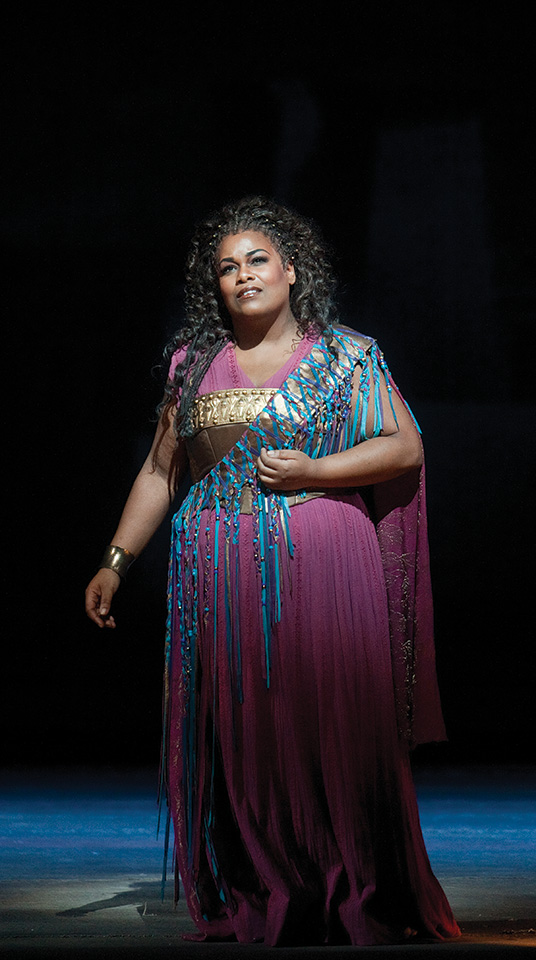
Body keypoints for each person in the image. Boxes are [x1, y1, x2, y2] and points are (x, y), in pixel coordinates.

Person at [85, 196, 460, 947]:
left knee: (332, 733)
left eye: (258, 260)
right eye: (227, 267)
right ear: (213, 287)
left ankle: (354, 886)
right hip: (219, 583)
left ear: (292, 271)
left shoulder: (346, 354)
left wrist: (317, 470)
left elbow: (405, 446)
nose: (243, 275)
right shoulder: (194, 367)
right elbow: (162, 472)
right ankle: (268, 884)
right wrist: (115, 562)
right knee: (250, 739)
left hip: (326, 569)